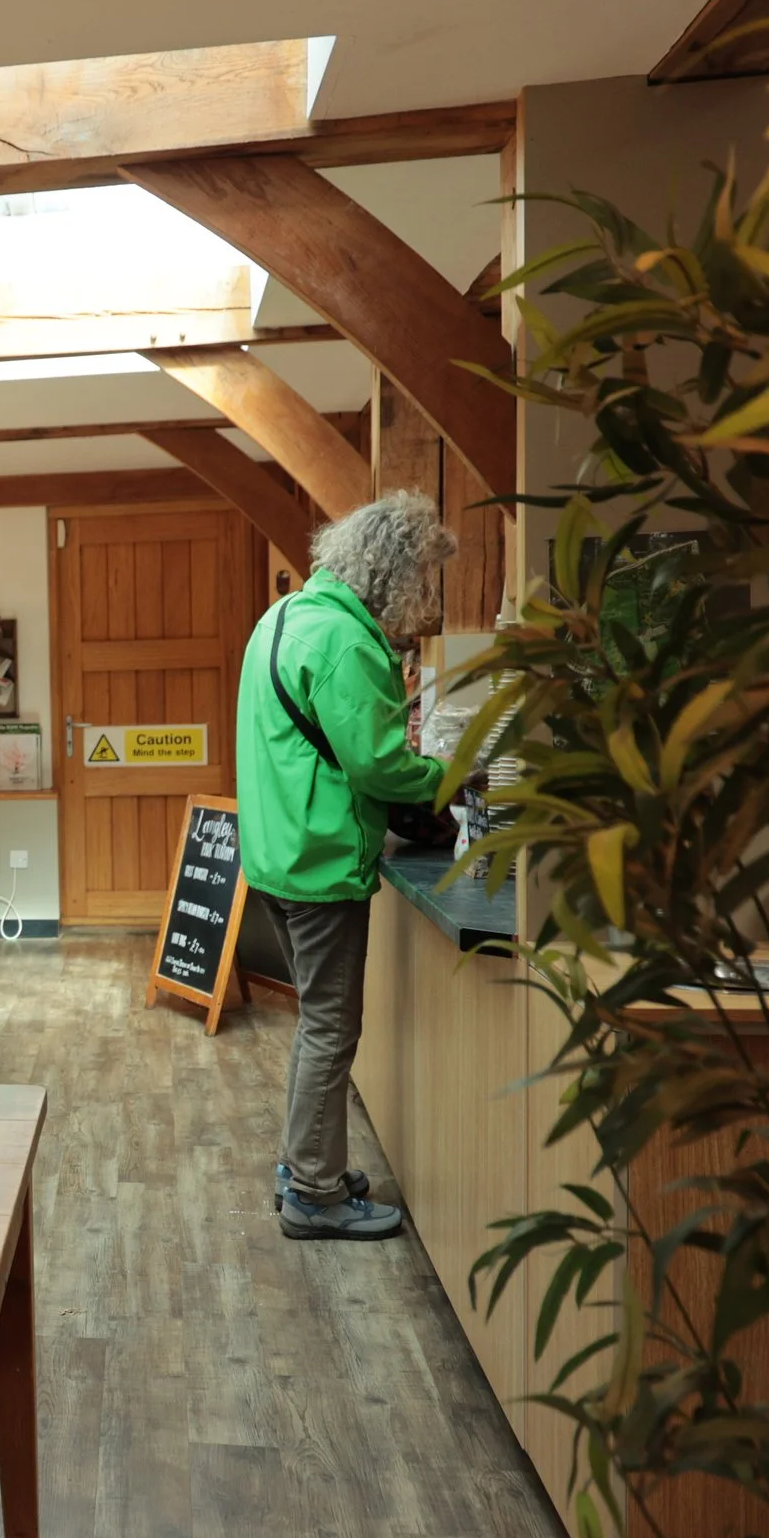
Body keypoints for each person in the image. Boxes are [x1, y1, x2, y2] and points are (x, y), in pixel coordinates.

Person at [236, 489, 457, 1243]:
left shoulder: (286, 617)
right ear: (392, 573)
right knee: (330, 1028)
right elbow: (380, 768)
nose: (422, 600)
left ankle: (307, 1163)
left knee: (315, 1025)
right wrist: (452, 780)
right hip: (321, 863)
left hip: (274, 854)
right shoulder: (348, 643)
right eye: (422, 579)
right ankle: (315, 1192)